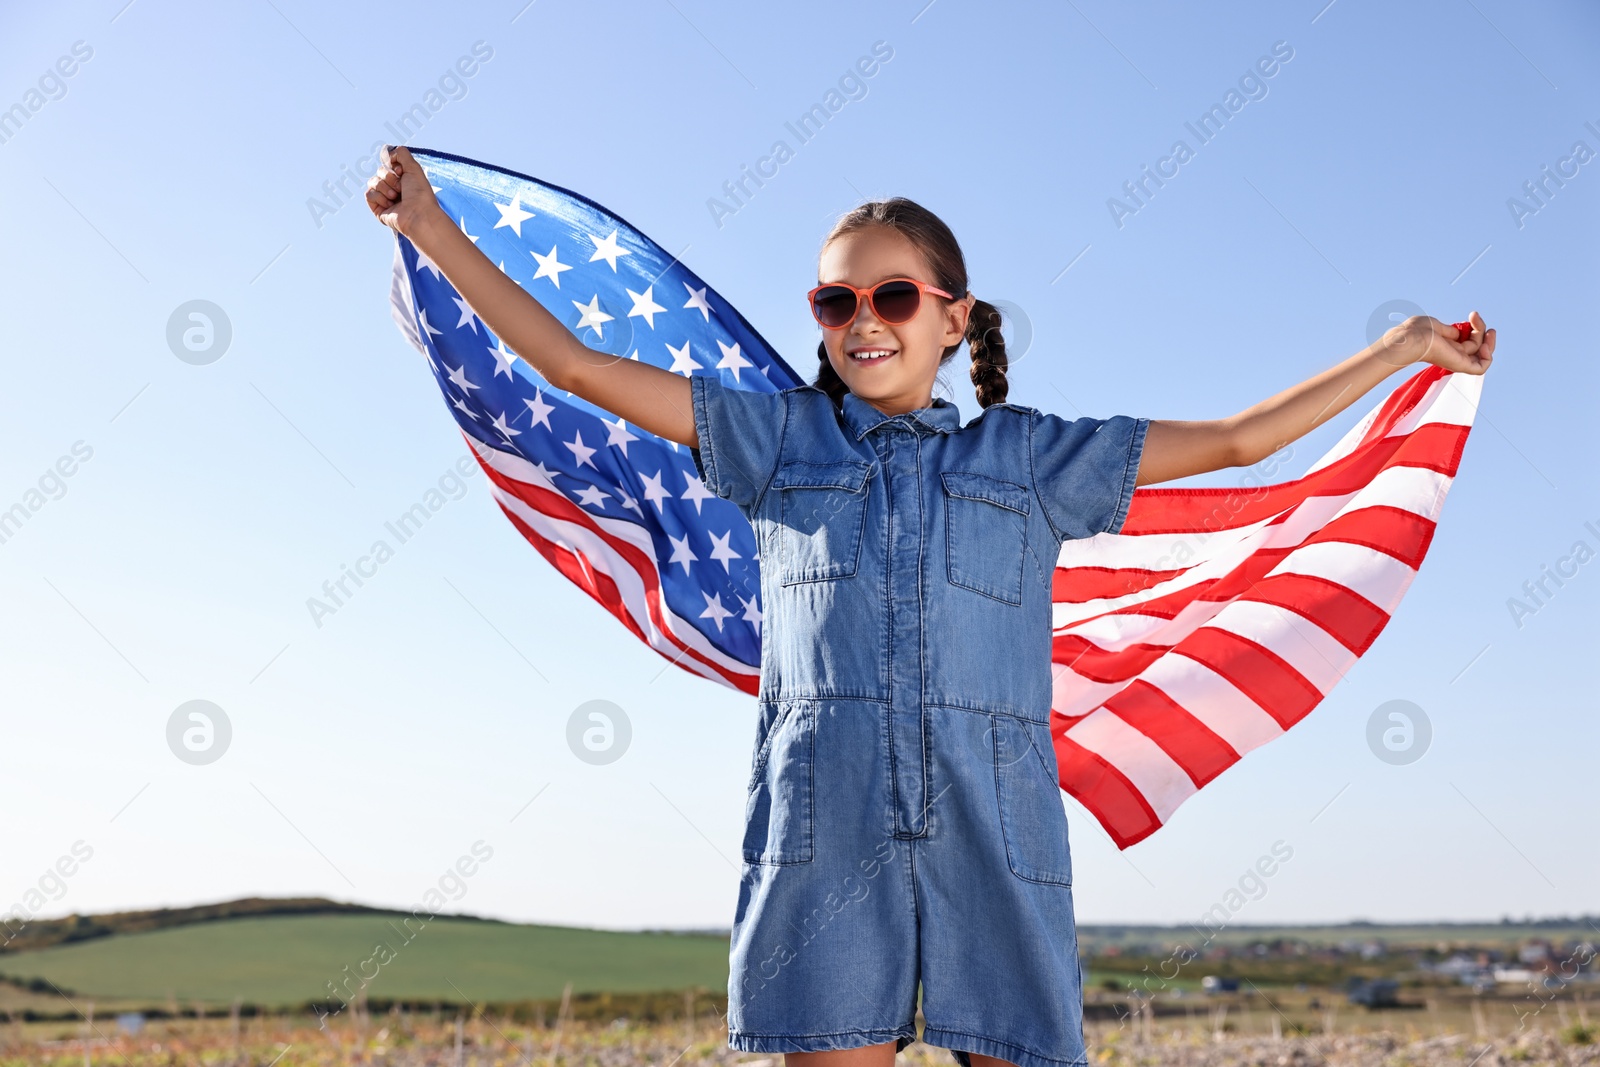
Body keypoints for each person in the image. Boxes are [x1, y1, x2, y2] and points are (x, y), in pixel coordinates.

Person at [366, 145, 1494, 1067]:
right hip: (825, 831)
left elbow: (1242, 440)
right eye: (835, 299)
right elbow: (572, 364)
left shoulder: (1033, 457)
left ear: (952, 319)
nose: (864, 319)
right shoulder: (772, 440)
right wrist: (431, 229)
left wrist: (1400, 349)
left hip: (991, 834)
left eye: (893, 296)